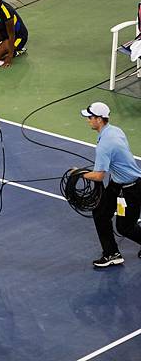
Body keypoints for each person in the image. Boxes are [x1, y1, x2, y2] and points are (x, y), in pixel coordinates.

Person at [79, 102, 141, 268]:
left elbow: (99, 176)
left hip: (131, 189)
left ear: (99, 119)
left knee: (124, 227)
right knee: (100, 213)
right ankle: (111, 253)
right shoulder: (114, 130)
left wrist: (78, 174)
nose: (88, 120)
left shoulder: (106, 144)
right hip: (118, 184)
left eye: (90, 117)